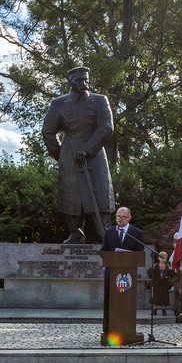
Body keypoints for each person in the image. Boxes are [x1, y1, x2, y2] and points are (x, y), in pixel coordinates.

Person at [42, 66, 116, 244]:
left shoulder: (100, 101)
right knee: (71, 197)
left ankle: (106, 234)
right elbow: (48, 132)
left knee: (100, 194)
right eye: (79, 81)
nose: (84, 84)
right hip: (70, 157)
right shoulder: (58, 104)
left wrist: (88, 149)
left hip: (95, 155)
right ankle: (76, 233)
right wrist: (60, 155)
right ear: (71, 82)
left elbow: (107, 127)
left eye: (86, 80)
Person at [100, 207, 145, 331]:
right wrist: (111, 256)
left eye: (123, 217)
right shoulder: (109, 232)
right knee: (109, 300)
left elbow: (140, 253)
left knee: (126, 302)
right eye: (118, 216)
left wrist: (128, 256)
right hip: (111, 274)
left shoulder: (137, 233)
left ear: (129, 218)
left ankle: (127, 327)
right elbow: (103, 251)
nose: (120, 219)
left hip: (128, 276)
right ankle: (108, 327)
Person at [148, 251, 172, 316]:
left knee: (164, 298)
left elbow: (172, 275)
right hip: (156, 284)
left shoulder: (167, 267)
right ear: (158, 258)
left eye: (164, 258)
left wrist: (171, 270)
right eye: (161, 258)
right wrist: (151, 270)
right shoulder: (155, 266)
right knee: (155, 298)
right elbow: (149, 274)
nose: (162, 259)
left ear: (166, 259)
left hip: (164, 284)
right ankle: (154, 310)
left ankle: (163, 310)